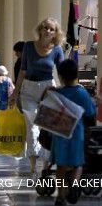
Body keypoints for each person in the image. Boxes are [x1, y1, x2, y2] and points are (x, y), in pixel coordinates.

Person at [9, 18, 65, 181]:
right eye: (45, 27)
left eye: (52, 29)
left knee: (47, 128)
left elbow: (61, 72)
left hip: (49, 89)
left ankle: (46, 166)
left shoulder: (57, 50)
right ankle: (34, 168)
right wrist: (15, 94)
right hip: (29, 90)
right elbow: (22, 71)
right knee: (32, 128)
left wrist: (67, 90)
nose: (48, 31)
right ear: (40, 29)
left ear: (55, 33)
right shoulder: (28, 46)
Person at [51, 59, 95, 206]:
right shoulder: (82, 93)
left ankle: (61, 195)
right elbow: (90, 113)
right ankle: (75, 184)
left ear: (61, 76)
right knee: (78, 164)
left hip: (59, 134)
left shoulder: (56, 93)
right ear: (76, 75)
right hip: (77, 134)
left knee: (61, 165)